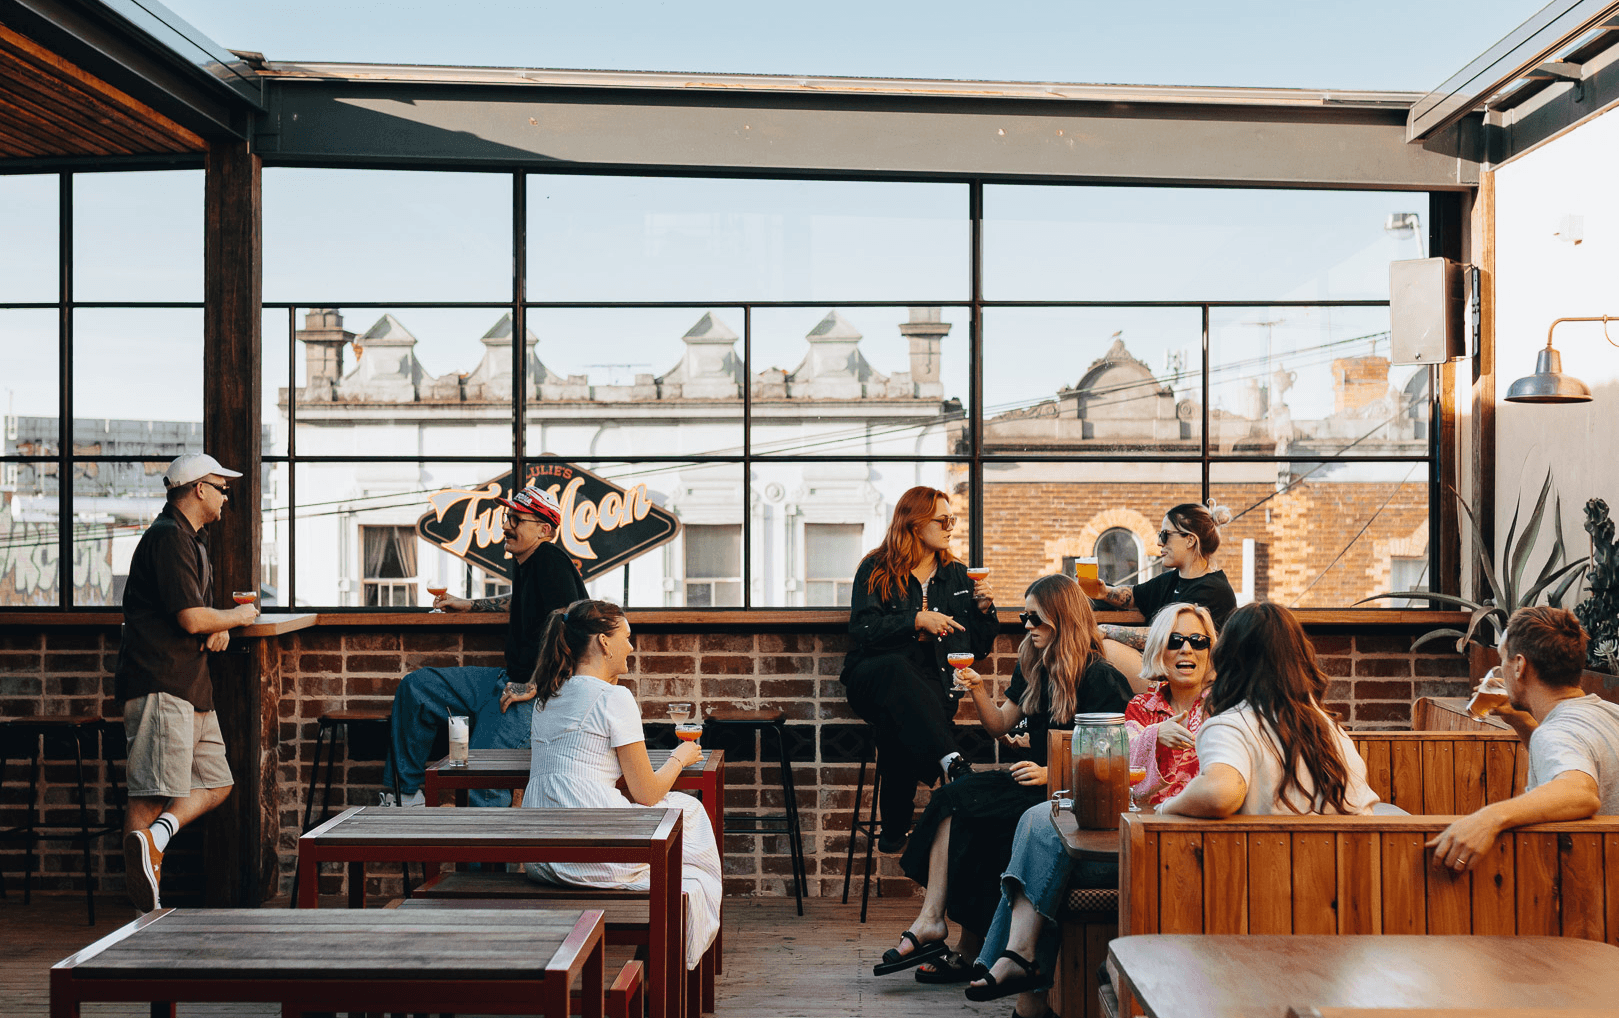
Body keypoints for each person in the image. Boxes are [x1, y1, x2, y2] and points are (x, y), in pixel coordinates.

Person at [878, 574, 1132, 983]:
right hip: (1027, 783)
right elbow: (998, 725)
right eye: (1025, 617)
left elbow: (1116, 755)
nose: (1027, 627)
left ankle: (963, 945)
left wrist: (1053, 771)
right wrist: (977, 687)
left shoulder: (1100, 677)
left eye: (1036, 619)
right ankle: (933, 918)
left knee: (981, 822)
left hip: (1065, 795)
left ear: (1063, 619)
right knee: (954, 798)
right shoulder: (1035, 665)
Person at [519, 599, 720, 970]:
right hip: (590, 857)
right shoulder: (615, 697)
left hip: (540, 856)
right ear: (603, 642)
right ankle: (673, 955)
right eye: (626, 638)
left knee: (674, 823)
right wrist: (681, 757)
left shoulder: (548, 696)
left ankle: (654, 954)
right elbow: (646, 792)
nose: (632, 646)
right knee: (688, 814)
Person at [118, 453, 260, 913]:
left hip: (189, 687)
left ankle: (156, 840)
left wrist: (218, 625)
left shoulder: (189, 540)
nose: (225, 498)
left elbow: (197, 616)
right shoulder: (168, 539)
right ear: (199, 488)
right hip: (163, 683)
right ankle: (143, 912)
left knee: (216, 782)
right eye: (222, 489)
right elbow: (189, 615)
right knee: (149, 793)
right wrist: (235, 616)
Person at [382, 486, 586, 806]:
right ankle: (407, 794)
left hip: (537, 694)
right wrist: (469, 605)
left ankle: (488, 856)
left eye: (516, 519)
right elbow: (518, 602)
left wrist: (535, 683)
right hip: (506, 679)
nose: (506, 525)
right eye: (508, 517)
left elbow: (571, 625)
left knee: (480, 779)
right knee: (418, 687)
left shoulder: (550, 561)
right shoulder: (530, 562)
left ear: (544, 529)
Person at [840, 486, 999, 852]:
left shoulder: (959, 577)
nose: (951, 528)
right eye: (943, 520)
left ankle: (894, 828)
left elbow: (978, 649)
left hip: (933, 686)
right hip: (873, 678)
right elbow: (863, 630)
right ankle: (950, 762)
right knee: (897, 672)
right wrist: (915, 620)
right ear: (914, 525)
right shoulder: (876, 568)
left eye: (952, 520)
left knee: (900, 722)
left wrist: (984, 612)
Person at [1428, 606, 1619, 873]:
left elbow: (1580, 793)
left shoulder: (1554, 733)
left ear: (1519, 666)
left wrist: (1487, 818)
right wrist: (1522, 722)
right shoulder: (1609, 712)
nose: (1500, 670)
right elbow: (1574, 755)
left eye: (1502, 659)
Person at [1157, 600, 1378, 817]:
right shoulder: (1331, 730)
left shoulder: (1230, 727)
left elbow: (1218, 794)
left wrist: (1168, 807)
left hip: (1279, 851)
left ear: (1228, 658)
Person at [1093, 500, 1239, 678]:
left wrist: (1105, 630)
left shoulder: (1213, 590)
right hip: (1166, 669)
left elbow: (1168, 635)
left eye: (1165, 535)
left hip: (1190, 678)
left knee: (1105, 648)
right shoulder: (1173, 579)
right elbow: (1135, 596)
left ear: (1190, 540)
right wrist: (1105, 592)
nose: (1159, 543)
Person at [1124, 602, 1217, 808]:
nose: (1186, 649)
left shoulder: (1226, 705)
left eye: (1198, 641)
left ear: (1210, 651)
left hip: (1210, 823)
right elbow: (1121, 767)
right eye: (1174, 641)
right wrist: (1155, 736)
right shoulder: (1141, 707)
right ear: (1158, 650)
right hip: (1147, 825)